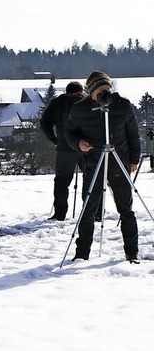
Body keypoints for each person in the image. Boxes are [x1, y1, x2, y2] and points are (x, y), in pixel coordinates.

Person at [64, 71, 141, 263]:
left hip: (119, 163)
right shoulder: (80, 109)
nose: (104, 94)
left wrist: (133, 160)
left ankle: (132, 253)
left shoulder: (122, 106)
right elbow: (69, 131)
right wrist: (78, 144)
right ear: (90, 92)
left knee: (126, 210)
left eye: (107, 89)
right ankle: (82, 253)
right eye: (100, 91)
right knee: (88, 210)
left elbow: (133, 134)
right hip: (93, 164)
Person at [39, 81, 86, 220]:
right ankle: (92, 212)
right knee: (91, 179)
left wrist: (54, 139)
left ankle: (60, 214)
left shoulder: (57, 103)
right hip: (87, 147)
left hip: (65, 148)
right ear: (81, 90)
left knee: (61, 182)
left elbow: (44, 123)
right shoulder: (87, 102)